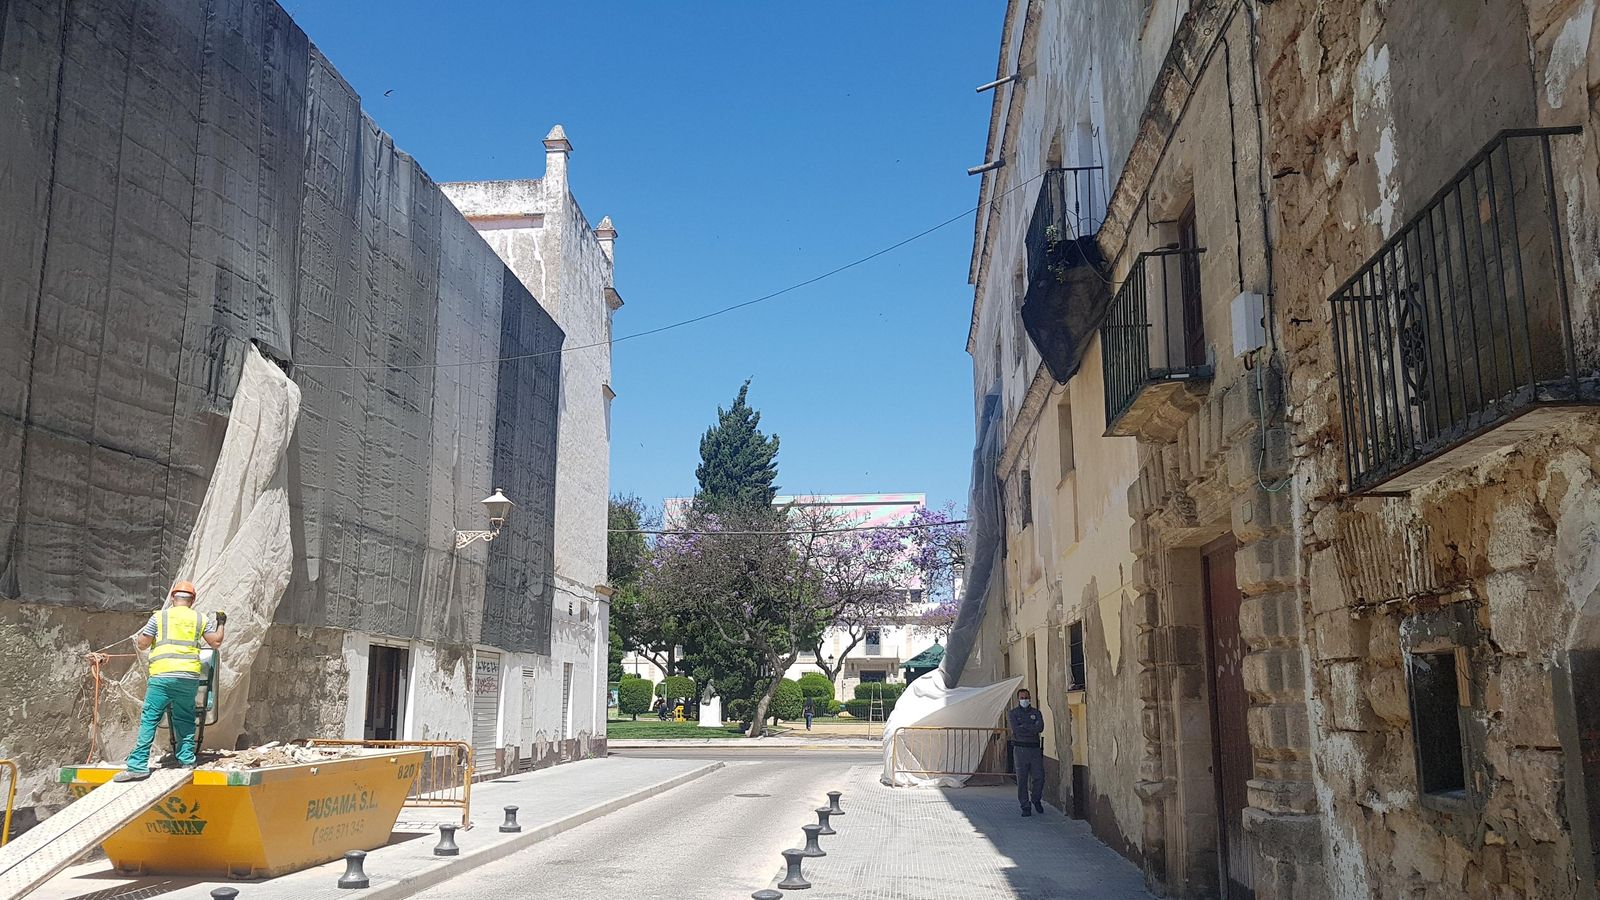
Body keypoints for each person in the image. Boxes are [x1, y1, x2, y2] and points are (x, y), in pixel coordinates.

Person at [113, 582, 225, 782]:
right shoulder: (201, 618)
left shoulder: (160, 617)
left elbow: (142, 643)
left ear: (173, 598)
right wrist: (221, 622)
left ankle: (138, 765)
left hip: (162, 677)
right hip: (188, 678)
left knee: (150, 719)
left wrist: (147, 637)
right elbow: (215, 642)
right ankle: (187, 760)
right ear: (193, 600)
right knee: (185, 717)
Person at [1008, 688, 1045, 817]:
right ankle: (1025, 806)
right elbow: (1016, 729)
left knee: (1039, 777)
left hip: (1034, 749)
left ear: (1030, 698)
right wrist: (1030, 727)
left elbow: (1040, 727)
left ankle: (1036, 799)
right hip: (1020, 750)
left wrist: (1024, 726)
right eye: (1022, 698)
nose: (1025, 700)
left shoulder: (1036, 712)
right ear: (1018, 699)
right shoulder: (1013, 713)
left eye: (1026, 697)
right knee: (1022, 779)